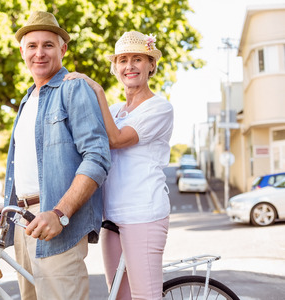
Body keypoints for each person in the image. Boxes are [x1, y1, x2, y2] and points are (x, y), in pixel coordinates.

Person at [0, 11, 111, 300]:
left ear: (62, 49)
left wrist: (60, 213)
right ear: (22, 52)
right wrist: (5, 209)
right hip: (23, 224)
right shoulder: (26, 99)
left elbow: (97, 156)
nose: (39, 53)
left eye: (48, 45)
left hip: (56, 223)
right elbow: (27, 165)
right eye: (32, 46)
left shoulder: (73, 87)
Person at [64, 31, 174, 299]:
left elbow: (116, 139)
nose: (130, 66)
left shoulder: (160, 108)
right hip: (111, 215)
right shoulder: (112, 111)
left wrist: (96, 90)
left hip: (144, 213)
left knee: (145, 295)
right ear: (115, 67)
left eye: (138, 59)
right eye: (123, 60)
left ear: (151, 65)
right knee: (118, 296)